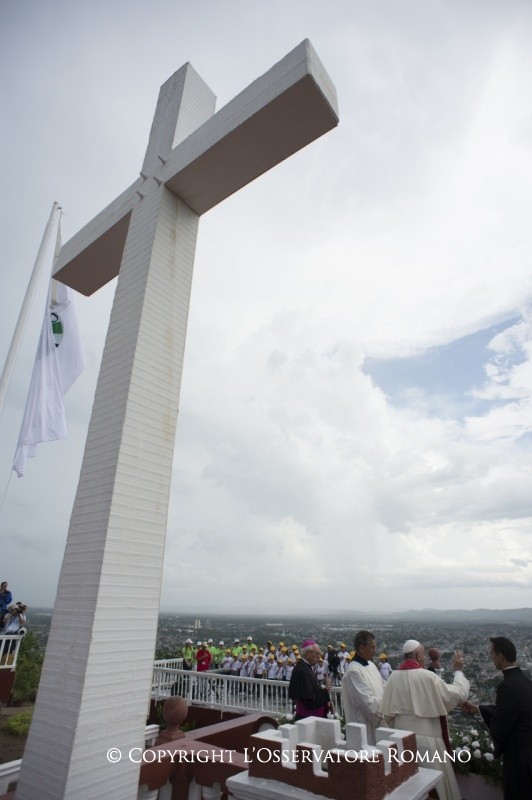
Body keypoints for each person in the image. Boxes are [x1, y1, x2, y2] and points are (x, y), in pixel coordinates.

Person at [381, 639, 469, 800]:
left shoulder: (393, 678)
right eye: (423, 653)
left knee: (407, 787)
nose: (425, 657)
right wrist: (458, 671)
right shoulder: (428, 676)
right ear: (418, 655)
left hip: (401, 742)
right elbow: (457, 695)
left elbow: (387, 715)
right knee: (436, 788)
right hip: (428, 742)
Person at [464, 636, 532, 800]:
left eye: (492, 653)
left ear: (500, 656)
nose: (491, 657)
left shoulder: (506, 686)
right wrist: (479, 708)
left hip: (517, 759)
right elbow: (511, 712)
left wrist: (498, 748)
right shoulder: (525, 681)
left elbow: (500, 728)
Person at [341, 630, 386, 744]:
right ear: (362, 648)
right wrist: (388, 711)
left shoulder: (371, 665)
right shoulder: (353, 671)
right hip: (365, 725)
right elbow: (367, 704)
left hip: (378, 720)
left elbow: (383, 686)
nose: (375, 650)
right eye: (372, 647)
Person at [288, 639, 332, 721]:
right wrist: (327, 689)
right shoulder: (302, 671)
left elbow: (311, 692)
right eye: (317, 654)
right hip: (307, 719)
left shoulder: (305, 667)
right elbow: (310, 701)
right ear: (308, 654)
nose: (319, 657)